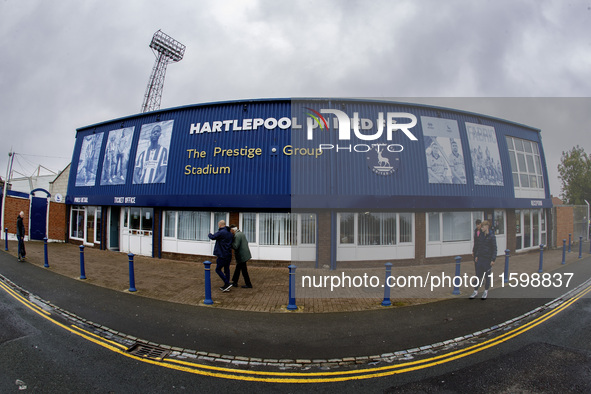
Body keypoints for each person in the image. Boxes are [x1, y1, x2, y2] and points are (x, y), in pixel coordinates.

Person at [471, 220, 497, 300]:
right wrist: (477, 255)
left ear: (486, 227)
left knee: (487, 276)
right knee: (478, 275)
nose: (481, 228)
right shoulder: (481, 235)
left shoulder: (492, 236)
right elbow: (479, 246)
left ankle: (486, 291)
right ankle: (475, 291)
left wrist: (493, 259)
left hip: (487, 259)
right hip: (480, 259)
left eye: (482, 227)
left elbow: (494, 249)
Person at [208, 220, 233, 291]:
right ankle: (227, 285)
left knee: (218, 269)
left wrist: (209, 234)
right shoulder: (229, 233)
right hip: (228, 254)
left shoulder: (221, 232)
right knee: (226, 269)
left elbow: (213, 237)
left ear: (220, 225)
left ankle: (227, 283)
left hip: (222, 254)